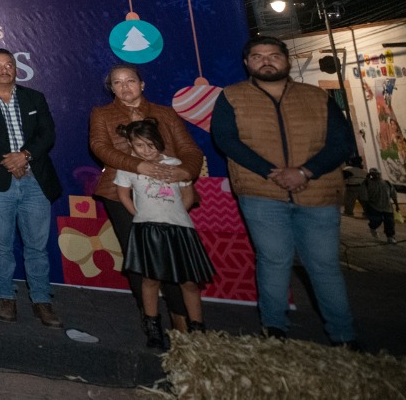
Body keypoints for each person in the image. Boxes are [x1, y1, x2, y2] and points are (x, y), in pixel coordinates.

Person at [211, 35, 359, 347]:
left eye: (273, 55)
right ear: (247, 63)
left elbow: (342, 142)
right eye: (258, 56)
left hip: (317, 193)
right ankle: (274, 330)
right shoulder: (232, 96)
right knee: (273, 260)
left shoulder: (317, 97)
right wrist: (272, 172)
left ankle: (344, 336)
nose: (266, 61)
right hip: (261, 193)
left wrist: (305, 171)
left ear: (286, 60)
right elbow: (226, 140)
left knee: (324, 265)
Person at [88, 63, 204, 332]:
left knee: (172, 257)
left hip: (168, 194)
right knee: (138, 258)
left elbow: (189, 149)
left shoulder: (165, 113)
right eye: (117, 83)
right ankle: (150, 318)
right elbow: (99, 147)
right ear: (112, 89)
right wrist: (137, 165)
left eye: (130, 81)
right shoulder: (102, 114)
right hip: (121, 194)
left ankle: (181, 317)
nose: (124, 87)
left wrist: (184, 171)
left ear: (142, 85)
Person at [0, 48, 64, 327]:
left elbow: (47, 133)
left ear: (16, 69)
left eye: (9, 64)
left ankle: (42, 300)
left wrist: (25, 155)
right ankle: (5, 296)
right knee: (1, 245)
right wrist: (8, 160)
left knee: (37, 247)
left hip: (35, 180)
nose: (4, 69)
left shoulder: (34, 97)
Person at [114, 119, 215, 350]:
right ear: (131, 146)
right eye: (140, 145)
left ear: (159, 142)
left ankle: (197, 328)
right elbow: (123, 194)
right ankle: (153, 328)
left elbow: (188, 195)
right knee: (150, 279)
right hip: (147, 228)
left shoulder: (176, 164)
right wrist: (140, 215)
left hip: (179, 227)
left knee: (189, 281)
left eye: (150, 144)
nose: (146, 150)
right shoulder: (129, 167)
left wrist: (177, 214)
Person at [363, 168, 397, 244]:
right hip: (374, 206)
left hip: (387, 207)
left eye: (377, 173)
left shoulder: (387, 183)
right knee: (376, 221)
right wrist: (365, 209)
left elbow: (393, 195)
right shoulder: (367, 183)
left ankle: (390, 237)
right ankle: (372, 227)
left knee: (390, 222)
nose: (376, 175)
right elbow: (364, 197)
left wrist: (397, 206)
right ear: (371, 175)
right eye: (373, 174)